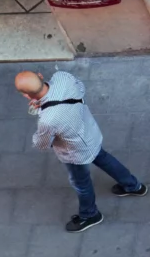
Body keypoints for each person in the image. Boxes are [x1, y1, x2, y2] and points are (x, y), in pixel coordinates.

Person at [15, 69, 145, 232]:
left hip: (75, 152)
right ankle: (134, 186)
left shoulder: (48, 120)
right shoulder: (62, 77)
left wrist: (42, 111)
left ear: (28, 96)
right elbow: (81, 88)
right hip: (90, 133)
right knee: (104, 158)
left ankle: (89, 215)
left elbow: (41, 144)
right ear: (40, 76)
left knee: (81, 184)